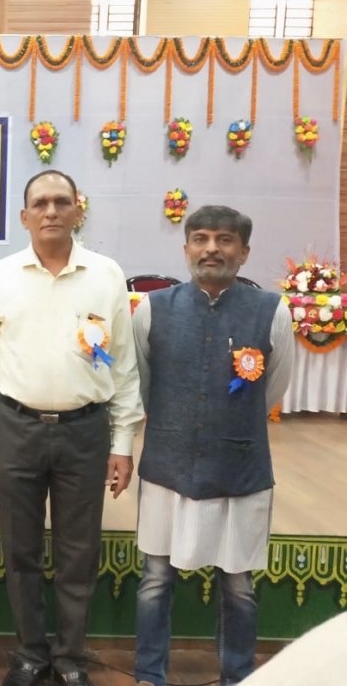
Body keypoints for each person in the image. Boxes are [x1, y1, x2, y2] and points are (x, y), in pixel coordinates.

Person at [0, 170, 144, 686]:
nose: (51, 211)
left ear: (77, 211)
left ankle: (69, 657)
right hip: (14, 427)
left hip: (85, 431)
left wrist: (122, 443)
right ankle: (29, 653)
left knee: (78, 551)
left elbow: (124, 365)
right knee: (19, 549)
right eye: (40, 203)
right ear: (24, 216)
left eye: (61, 202)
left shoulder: (107, 275)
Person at [132, 205, 293, 686]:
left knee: (239, 587)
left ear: (244, 252)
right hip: (167, 466)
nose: (211, 249)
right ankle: (148, 675)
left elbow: (274, 388)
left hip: (240, 468)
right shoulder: (153, 309)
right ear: (186, 249)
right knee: (155, 581)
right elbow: (145, 386)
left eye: (224, 240)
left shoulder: (272, 310)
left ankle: (238, 676)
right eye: (200, 239)